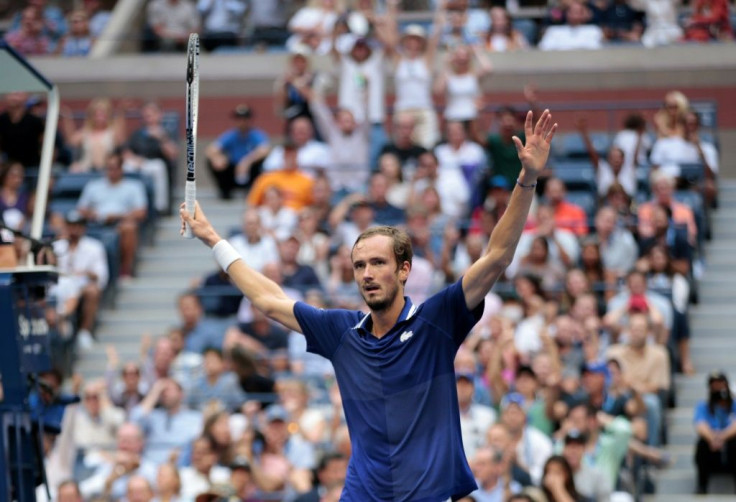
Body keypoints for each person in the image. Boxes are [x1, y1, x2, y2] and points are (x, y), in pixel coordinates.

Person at [181, 109, 557, 500]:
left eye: (378, 263)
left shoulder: (436, 321)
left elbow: (497, 255)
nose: (367, 273)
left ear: (404, 269)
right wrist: (213, 239)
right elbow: (269, 300)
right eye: (359, 265)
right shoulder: (342, 332)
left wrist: (527, 177)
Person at [206, 104, 270, 200]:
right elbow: (211, 149)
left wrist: (246, 162)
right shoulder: (231, 135)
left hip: (250, 171)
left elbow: (265, 150)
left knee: (262, 163)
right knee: (212, 162)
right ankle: (225, 190)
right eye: (239, 119)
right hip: (233, 170)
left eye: (244, 118)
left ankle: (253, 190)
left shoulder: (256, 134)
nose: (242, 122)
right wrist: (217, 158)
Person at [693, 371, 736, 494]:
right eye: (714, 386)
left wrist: (722, 437)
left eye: (720, 385)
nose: (718, 389)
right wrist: (712, 439)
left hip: (731, 452)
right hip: (712, 451)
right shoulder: (703, 406)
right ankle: (702, 486)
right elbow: (700, 425)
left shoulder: (734, 405)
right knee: (702, 444)